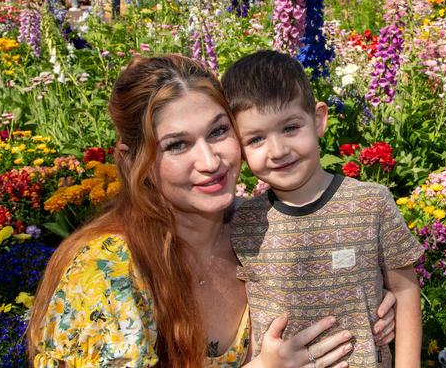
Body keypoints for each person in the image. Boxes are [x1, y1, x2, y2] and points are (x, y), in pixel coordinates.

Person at [27, 54, 397, 367]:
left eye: (218, 132)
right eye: (176, 145)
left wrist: (367, 303)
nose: (209, 161)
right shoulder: (107, 272)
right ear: (132, 160)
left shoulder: (257, 227)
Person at [222, 50, 423, 368]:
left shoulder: (371, 204)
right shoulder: (241, 222)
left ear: (318, 120)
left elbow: (405, 290)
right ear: (240, 149)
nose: (278, 150)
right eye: (256, 139)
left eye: (290, 128)